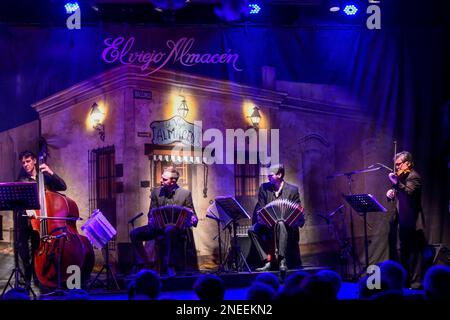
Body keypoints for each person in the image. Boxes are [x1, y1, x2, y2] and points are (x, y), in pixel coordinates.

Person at [130, 166, 198, 277]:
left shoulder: (185, 194)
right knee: (134, 234)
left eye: (164, 179)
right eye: (162, 178)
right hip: (157, 227)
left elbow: (192, 213)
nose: (161, 181)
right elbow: (151, 211)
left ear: (173, 181)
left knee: (169, 230)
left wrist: (193, 218)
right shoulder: (156, 192)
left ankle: (170, 266)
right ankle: (145, 263)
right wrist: (151, 219)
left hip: (176, 229)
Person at [16, 150, 67, 288]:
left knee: (38, 252)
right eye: (23, 163)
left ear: (34, 161)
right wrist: (26, 208)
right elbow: (18, 202)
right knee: (25, 255)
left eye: (28, 161)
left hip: (43, 223)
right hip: (27, 223)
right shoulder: (21, 181)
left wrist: (51, 172)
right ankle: (26, 283)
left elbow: (63, 186)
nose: (25, 165)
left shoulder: (44, 177)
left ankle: (41, 280)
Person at [248, 164, 305, 273]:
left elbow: (298, 210)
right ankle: (267, 261)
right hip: (267, 224)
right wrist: (261, 217)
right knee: (252, 230)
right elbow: (260, 207)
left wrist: (296, 220)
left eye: (271, 176)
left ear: (279, 175)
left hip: (287, 226)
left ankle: (282, 260)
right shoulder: (264, 188)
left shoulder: (292, 190)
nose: (268, 178)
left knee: (280, 223)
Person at [386, 151, 426, 289]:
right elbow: (400, 195)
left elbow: (409, 194)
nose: (396, 168)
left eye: (399, 165)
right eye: (395, 165)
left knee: (414, 254)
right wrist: (391, 194)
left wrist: (397, 183)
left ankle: (416, 283)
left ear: (408, 163)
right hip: (403, 222)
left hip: (413, 221)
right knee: (403, 253)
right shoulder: (402, 178)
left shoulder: (414, 177)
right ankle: (405, 282)